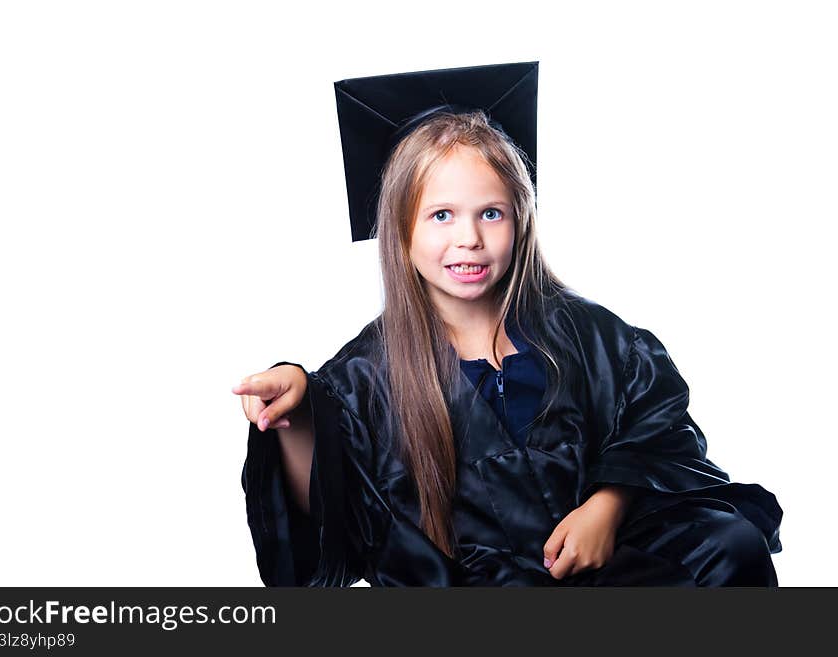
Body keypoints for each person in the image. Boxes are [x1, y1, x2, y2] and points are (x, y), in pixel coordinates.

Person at [232, 62, 783, 587]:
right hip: (475, 585)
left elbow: (657, 431)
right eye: (441, 215)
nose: (468, 237)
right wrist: (301, 415)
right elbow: (328, 521)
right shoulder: (364, 376)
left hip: (608, 559)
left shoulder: (587, 334)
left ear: (520, 220)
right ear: (400, 231)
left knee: (729, 543)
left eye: (490, 213)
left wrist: (607, 507)